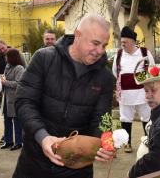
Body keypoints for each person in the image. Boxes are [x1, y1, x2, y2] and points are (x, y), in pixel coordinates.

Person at [12, 14, 114, 178]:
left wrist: (107, 143)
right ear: (78, 35)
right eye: (95, 43)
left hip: (77, 168)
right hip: (34, 162)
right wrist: (43, 138)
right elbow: (24, 102)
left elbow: (103, 119)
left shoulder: (105, 77)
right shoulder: (44, 59)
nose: (100, 51)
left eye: (104, 45)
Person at [112, 26, 155, 153]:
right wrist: (127, 80)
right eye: (122, 42)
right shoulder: (119, 54)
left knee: (147, 117)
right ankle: (127, 143)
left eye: (125, 42)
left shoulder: (144, 53)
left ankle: (148, 140)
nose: (123, 44)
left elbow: (152, 70)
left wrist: (137, 79)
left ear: (132, 41)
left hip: (142, 93)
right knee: (125, 118)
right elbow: (116, 72)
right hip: (125, 94)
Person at [1, 48, 25, 151]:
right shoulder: (7, 66)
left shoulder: (19, 68)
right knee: (6, 121)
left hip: (15, 99)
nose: (5, 58)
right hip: (6, 98)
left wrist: (5, 82)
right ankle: (8, 141)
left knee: (17, 121)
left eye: (7, 56)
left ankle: (19, 142)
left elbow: (19, 83)